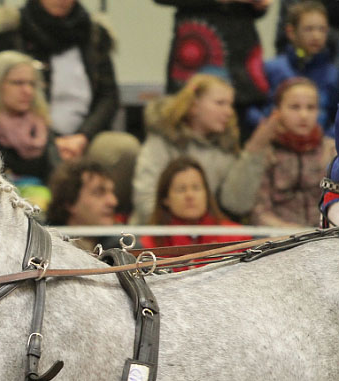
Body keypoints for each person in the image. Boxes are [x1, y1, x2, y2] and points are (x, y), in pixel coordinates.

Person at [0, 0, 138, 215]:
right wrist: (51, 141)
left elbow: (109, 96)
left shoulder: (94, 33)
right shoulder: (13, 31)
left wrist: (83, 136)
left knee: (124, 149)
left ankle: (106, 228)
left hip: (85, 136)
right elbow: (7, 91)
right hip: (31, 130)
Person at [130, 74, 276, 225]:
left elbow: (236, 204)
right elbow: (145, 200)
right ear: (193, 106)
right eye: (220, 103)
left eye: (230, 105)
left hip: (204, 235)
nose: (229, 112)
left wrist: (254, 151)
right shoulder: (161, 142)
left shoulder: (225, 149)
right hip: (158, 235)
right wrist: (180, 235)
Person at [154, 0, 271, 135]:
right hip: (200, 44)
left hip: (241, 48)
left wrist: (261, 5)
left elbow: (257, 11)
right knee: (187, 116)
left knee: (241, 120)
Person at [0, 51, 60, 211]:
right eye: (18, 83)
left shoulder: (42, 126)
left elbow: (57, 177)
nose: (27, 91)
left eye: (32, 84)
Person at [252, 78, 335, 228]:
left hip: (326, 238)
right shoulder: (266, 152)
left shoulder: (332, 151)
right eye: (294, 107)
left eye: (311, 107)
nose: (304, 115)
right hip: (278, 240)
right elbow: (258, 211)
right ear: (277, 111)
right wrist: (294, 234)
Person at [252, 1, 339, 137]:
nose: (316, 36)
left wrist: (326, 138)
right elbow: (252, 107)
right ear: (291, 32)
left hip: (320, 149)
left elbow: (335, 117)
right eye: (309, 29)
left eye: (322, 29)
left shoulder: (333, 75)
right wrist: (267, 126)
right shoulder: (272, 68)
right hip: (275, 145)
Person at [140, 156, 245, 253]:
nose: (190, 195)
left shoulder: (236, 237)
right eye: (181, 189)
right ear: (165, 199)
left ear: (207, 194)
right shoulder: (149, 245)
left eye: (196, 188)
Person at [46, 159, 120, 252]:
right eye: (99, 193)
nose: (113, 202)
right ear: (69, 202)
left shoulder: (126, 247)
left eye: (112, 192)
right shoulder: (44, 249)